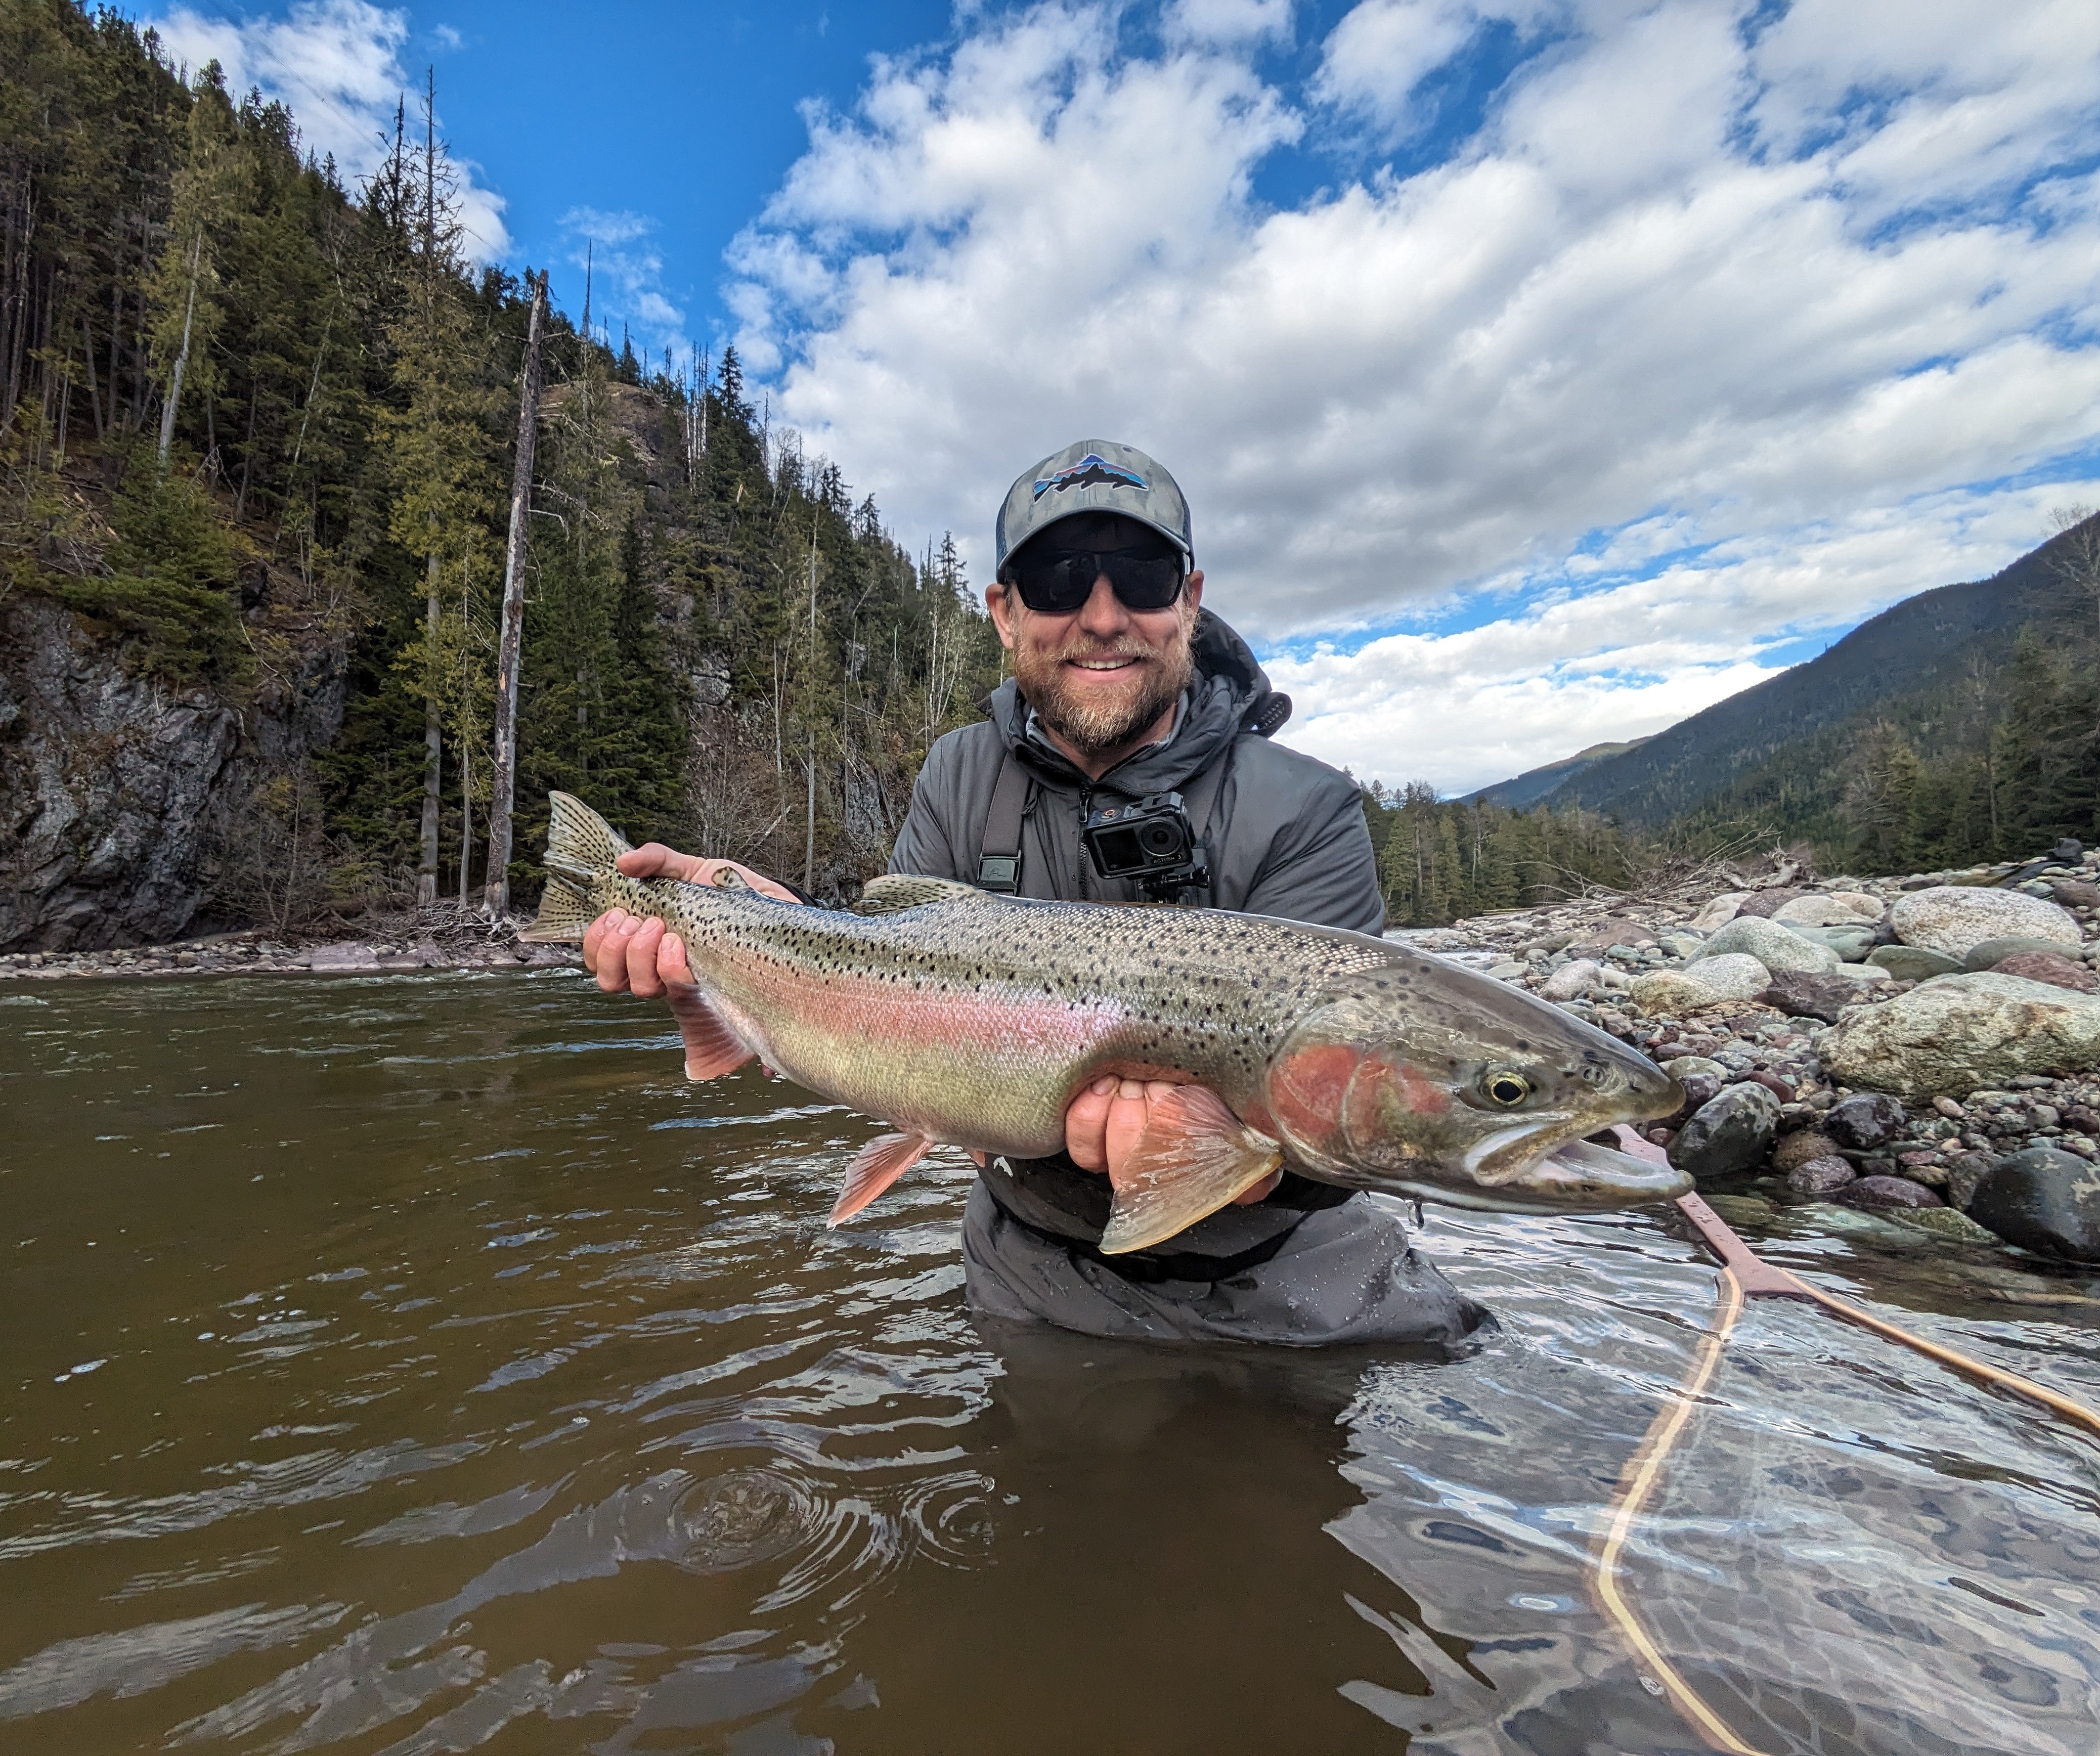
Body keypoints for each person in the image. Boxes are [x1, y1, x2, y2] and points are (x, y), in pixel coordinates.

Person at [585, 438, 1481, 1347]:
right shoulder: (959, 774)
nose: (1103, 616)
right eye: (1059, 581)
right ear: (1005, 615)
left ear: (1190, 600)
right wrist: (755, 932)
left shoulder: (1306, 809)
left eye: (1141, 578)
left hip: (1283, 1275)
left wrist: (1233, 1160)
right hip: (1027, 1265)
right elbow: (886, 971)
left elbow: (1351, 1126)